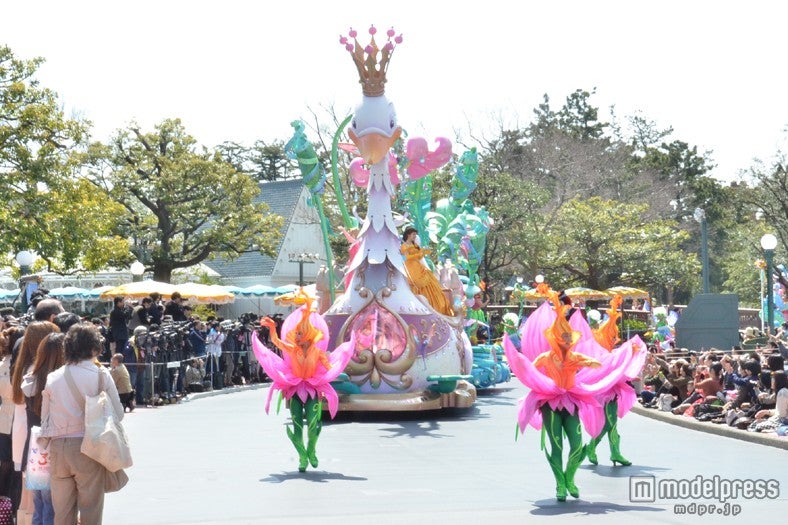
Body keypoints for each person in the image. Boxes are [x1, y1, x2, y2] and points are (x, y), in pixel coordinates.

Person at [39, 323, 123, 525]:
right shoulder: (101, 375)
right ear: (94, 348)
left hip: (58, 449)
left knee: (63, 513)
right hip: (89, 447)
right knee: (90, 511)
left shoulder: (53, 377)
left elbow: (45, 419)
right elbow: (118, 414)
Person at [11, 321, 59, 519]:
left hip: (28, 441)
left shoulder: (24, 369)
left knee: (38, 502)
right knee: (48, 502)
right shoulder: (44, 374)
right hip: (44, 441)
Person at [22, 332, 66, 525]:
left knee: (39, 502)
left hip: (34, 446)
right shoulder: (59, 381)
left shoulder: (31, 379)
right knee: (52, 504)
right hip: (53, 443)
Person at [400, 226, 453, 316]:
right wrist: (419, 254)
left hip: (419, 266)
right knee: (417, 283)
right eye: (413, 234)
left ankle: (434, 306)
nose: (414, 236)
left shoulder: (415, 245)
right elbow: (407, 257)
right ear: (408, 234)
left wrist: (424, 252)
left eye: (415, 235)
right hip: (411, 267)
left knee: (430, 281)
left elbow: (420, 256)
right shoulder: (404, 246)